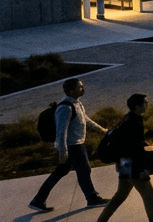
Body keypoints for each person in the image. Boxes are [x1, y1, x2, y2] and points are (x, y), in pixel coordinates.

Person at [87, 94, 153, 222]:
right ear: (137, 106)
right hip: (133, 166)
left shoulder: (127, 119)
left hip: (124, 165)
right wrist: (142, 170)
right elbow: (135, 150)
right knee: (149, 193)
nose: (147, 104)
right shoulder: (135, 124)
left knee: (119, 197)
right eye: (145, 103)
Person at [30, 78, 108, 212]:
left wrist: (101, 130)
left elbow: (85, 118)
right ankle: (92, 198)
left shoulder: (76, 103)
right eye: (80, 87)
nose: (83, 89)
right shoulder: (65, 107)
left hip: (76, 144)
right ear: (72, 91)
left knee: (61, 171)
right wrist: (63, 151)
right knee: (84, 170)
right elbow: (61, 131)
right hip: (73, 146)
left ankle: (38, 199)